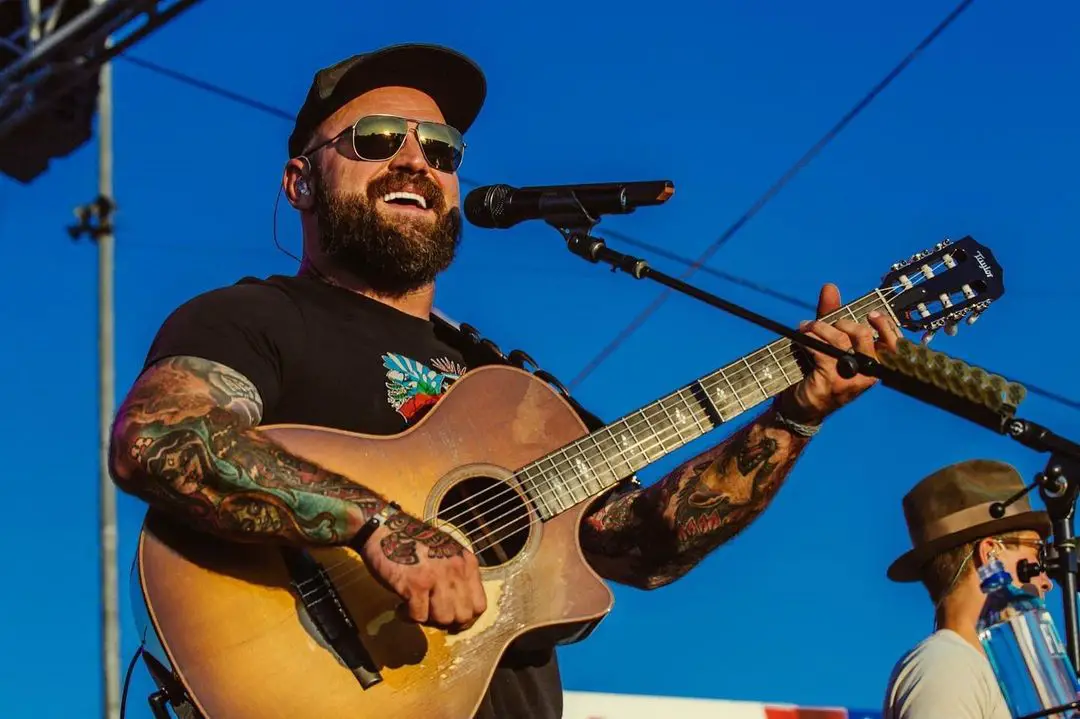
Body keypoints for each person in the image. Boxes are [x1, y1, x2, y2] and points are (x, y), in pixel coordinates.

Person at [108, 42, 901, 719]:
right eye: (377, 138)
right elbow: (161, 436)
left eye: (442, 148)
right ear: (301, 181)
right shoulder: (257, 317)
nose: (415, 159)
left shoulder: (512, 390)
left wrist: (793, 415)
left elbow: (644, 545)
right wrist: (382, 526)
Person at [882, 459, 1053, 719]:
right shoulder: (947, 665)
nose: (1047, 581)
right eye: (1038, 555)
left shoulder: (997, 677)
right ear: (991, 554)